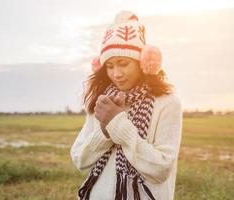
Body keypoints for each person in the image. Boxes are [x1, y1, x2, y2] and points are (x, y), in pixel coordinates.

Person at [70, 10, 183, 200]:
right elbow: (80, 159)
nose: (116, 74)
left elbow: (161, 168)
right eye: (110, 66)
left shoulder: (167, 103)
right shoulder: (102, 102)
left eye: (123, 63)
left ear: (142, 62)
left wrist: (117, 125)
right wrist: (105, 132)